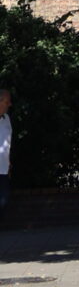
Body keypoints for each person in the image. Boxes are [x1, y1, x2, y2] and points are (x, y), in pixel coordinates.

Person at [0, 84, 13, 223]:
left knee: (3, 201)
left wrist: (8, 161)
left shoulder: (7, 119)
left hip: (3, 169)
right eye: (6, 102)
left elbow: (7, 141)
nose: (9, 104)